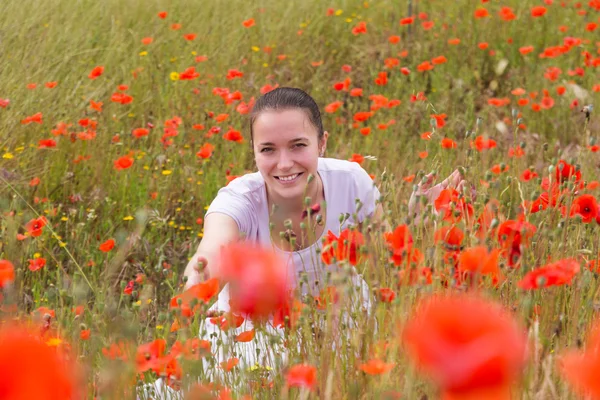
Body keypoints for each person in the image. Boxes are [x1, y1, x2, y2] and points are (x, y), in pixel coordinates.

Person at [141, 87, 469, 398]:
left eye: (298, 145)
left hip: (339, 321)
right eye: (268, 149)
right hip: (251, 333)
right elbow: (211, 250)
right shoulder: (238, 200)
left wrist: (419, 220)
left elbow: (388, 261)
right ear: (254, 151)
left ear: (321, 143)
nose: (284, 163)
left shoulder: (351, 181)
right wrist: (200, 282)